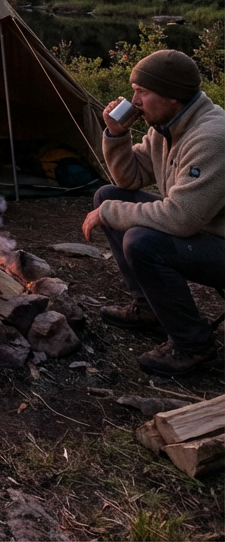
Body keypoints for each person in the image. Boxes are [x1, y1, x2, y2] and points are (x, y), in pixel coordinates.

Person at [81, 49, 224, 376]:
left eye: (142, 92)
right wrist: (117, 135)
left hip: (217, 238)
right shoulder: (166, 128)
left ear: (172, 97)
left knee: (143, 242)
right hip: (204, 230)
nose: (134, 101)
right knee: (107, 195)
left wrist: (110, 213)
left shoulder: (212, 137)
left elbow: (181, 218)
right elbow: (129, 179)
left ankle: (194, 345)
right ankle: (149, 308)